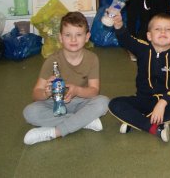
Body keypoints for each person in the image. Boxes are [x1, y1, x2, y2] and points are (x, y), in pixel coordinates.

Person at [22, 12, 109, 145]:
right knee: (29, 112)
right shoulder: (51, 61)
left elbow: (94, 91)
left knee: (104, 102)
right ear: (60, 38)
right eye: (68, 35)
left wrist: (77, 90)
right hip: (55, 104)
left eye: (78, 35)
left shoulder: (92, 59)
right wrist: (46, 93)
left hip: (80, 102)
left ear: (87, 37)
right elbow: (36, 94)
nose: (73, 40)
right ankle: (83, 121)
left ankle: (55, 132)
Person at [109, 12, 170, 142]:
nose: (163, 31)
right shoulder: (143, 48)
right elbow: (126, 40)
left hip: (166, 101)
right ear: (149, 36)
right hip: (143, 100)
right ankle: (153, 127)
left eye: (168, 29)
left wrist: (163, 102)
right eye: (158, 29)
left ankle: (136, 120)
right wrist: (118, 25)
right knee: (115, 104)